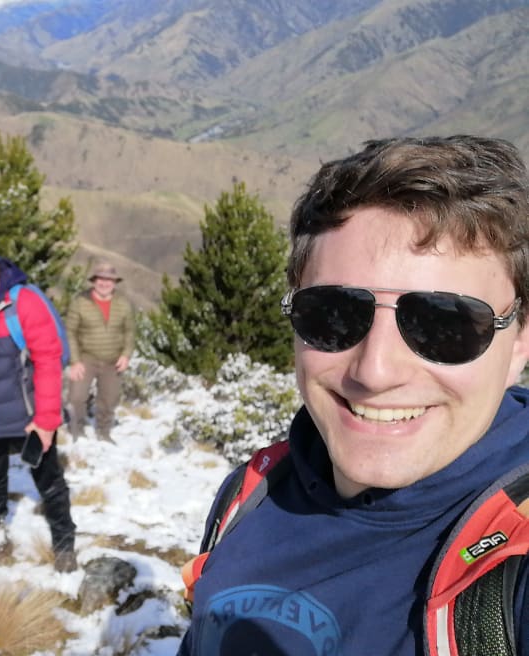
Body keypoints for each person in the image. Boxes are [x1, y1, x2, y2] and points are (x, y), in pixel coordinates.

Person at [179, 136, 529, 655]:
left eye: (444, 324)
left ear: (520, 341)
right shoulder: (252, 494)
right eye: (333, 313)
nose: (376, 370)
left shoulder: (513, 567)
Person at [0, 228, 79, 573]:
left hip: (29, 416)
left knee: (49, 482)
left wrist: (47, 420)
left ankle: (64, 543)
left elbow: (49, 360)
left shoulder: (22, 301)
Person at [65, 259, 136, 442]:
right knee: (76, 397)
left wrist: (126, 354)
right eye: (100, 279)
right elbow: (70, 332)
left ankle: (104, 432)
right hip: (85, 357)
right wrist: (75, 360)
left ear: (115, 283)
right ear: (94, 280)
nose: (104, 283)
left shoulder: (124, 304)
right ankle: (77, 430)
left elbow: (130, 331)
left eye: (109, 280)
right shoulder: (80, 302)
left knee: (109, 399)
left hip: (113, 359)